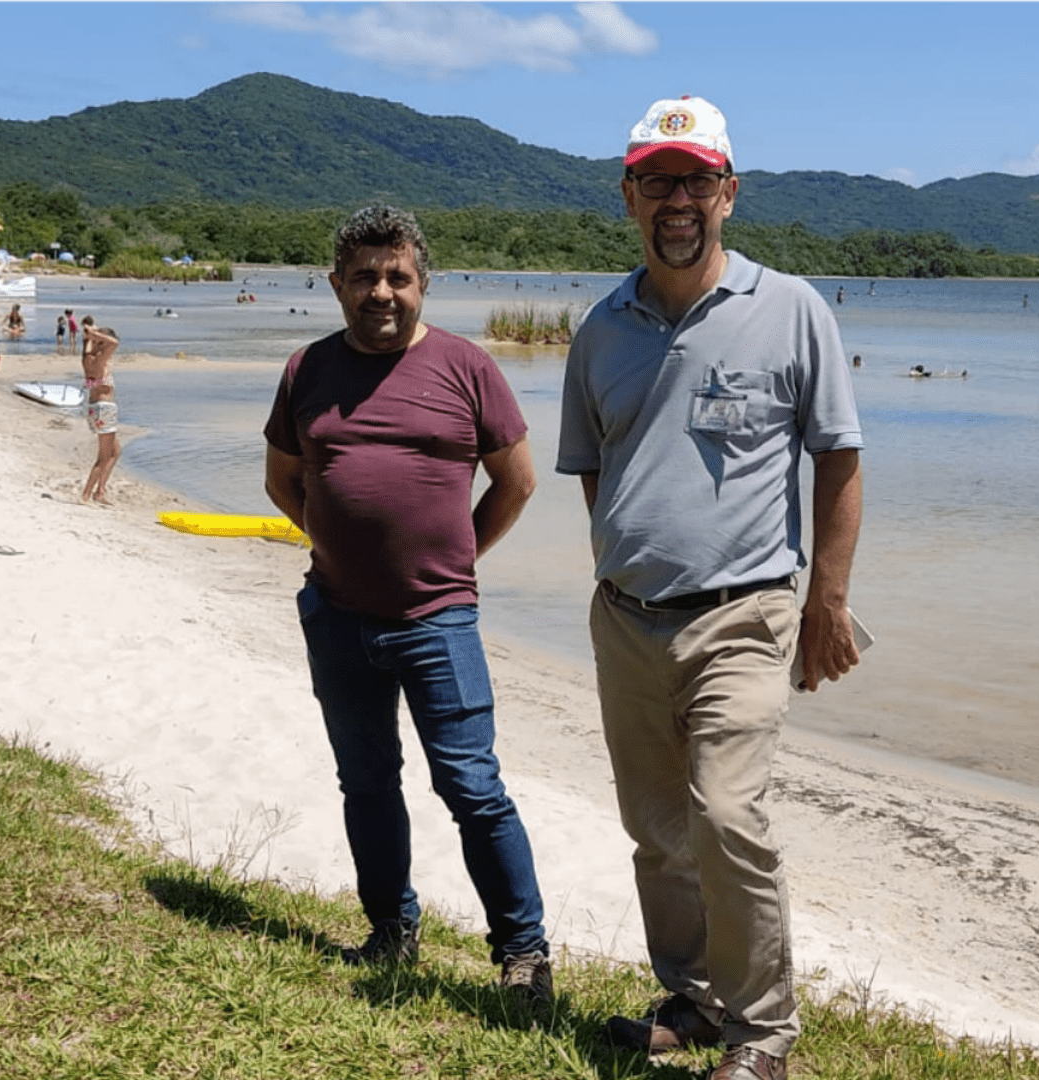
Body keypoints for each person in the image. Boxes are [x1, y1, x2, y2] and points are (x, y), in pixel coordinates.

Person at [556, 96, 864, 1080]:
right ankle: (689, 999)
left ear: (729, 194)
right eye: (658, 180)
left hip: (746, 612)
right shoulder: (601, 329)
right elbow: (597, 468)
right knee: (656, 832)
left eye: (696, 180)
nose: (677, 199)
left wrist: (826, 603)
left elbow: (839, 460)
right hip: (627, 618)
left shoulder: (794, 310)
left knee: (728, 818)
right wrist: (625, 555)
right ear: (628, 196)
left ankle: (763, 1036)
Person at [262, 205, 553, 1003]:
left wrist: (453, 562)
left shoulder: (467, 367)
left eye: (398, 276)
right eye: (364, 276)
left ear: (424, 284)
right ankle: (391, 930)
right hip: (337, 616)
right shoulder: (306, 369)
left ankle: (523, 953)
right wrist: (334, 543)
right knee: (366, 781)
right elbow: (282, 481)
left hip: (439, 623)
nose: (381, 291)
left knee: (471, 785)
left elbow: (518, 481)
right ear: (336, 285)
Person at [78, 316, 120, 505]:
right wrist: (96, 334)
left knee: (115, 451)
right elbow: (114, 343)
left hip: (96, 410)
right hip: (104, 409)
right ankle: (87, 495)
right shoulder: (99, 359)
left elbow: (106, 343)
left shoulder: (87, 358)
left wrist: (90, 337)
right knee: (103, 457)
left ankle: (100, 491)